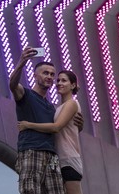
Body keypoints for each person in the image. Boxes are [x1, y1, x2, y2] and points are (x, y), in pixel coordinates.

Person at [9, 47, 83, 194]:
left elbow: (60, 127)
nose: (50, 76)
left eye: (52, 74)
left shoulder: (52, 107)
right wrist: (22, 61)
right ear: (35, 76)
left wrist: (80, 126)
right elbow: (12, 85)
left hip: (52, 157)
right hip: (31, 151)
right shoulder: (26, 95)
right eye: (45, 73)